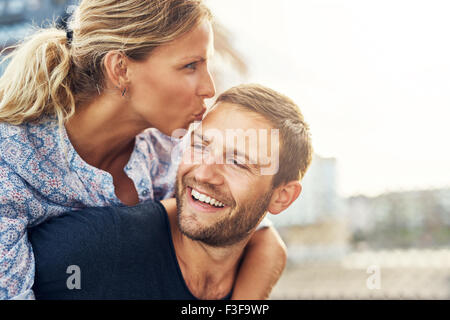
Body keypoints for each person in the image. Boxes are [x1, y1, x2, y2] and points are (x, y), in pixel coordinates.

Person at [0, 0, 286, 300]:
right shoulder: (10, 167)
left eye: (206, 64)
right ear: (120, 69)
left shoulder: (169, 144)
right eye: (190, 65)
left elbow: (263, 239)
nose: (209, 88)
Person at [28, 84, 313, 299]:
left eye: (237, 162)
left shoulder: (254, 263)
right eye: (201, 146)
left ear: (282, 196)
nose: (203, 173)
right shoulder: (97, 246)